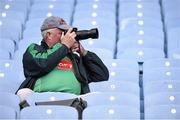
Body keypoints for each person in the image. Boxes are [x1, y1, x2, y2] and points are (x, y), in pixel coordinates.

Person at [16, 16, 109, 101]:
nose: (68, 36)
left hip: (73, 101)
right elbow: (42, 64)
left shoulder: (74, 58)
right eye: (62, 33)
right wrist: (64, 46)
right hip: (39, 98)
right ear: (48, 35)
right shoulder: (34, 49)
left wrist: (83, 52)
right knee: (23, 93)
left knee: (96, 97)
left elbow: (101, 75)